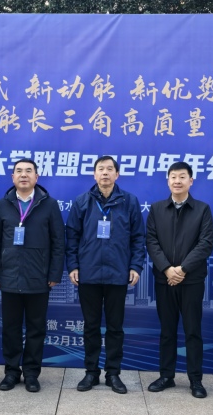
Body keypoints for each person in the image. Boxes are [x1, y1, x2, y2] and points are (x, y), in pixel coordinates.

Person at [66, 155, 145, 394]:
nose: (105, 173)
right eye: (101, 169)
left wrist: (135, 266)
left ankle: (113, 373)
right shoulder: (82, 201)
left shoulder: (129, 201)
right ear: (94, 174)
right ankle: (91, 372)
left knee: (115, 327)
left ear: (117, 174)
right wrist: (73, 266)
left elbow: (138, 237)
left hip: (117, 274)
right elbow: (72, 236)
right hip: (88, 274)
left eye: (110, 169)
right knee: (90, 326)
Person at [0, 159, 65, 393]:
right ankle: (11, 372)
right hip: (9, 277)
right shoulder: (4, 204)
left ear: (36, 177)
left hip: (38, 278)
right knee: (10, 329)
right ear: (12, 177)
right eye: (19, 171)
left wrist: (54, 274)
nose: (24, 175)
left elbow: (58, 242)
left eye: (28, 171)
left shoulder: (49, 204)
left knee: (36, 329)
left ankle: (32, 373)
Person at [146, 161, 213, 399]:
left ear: (190, 181)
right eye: (173, 177)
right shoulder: (156, 209)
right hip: (164, 280)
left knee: (193, 331)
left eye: (182, 177)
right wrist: (167, 269)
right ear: (168, 181)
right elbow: (151, 241)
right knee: (167, 331)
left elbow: (206, 243)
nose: (177, 181)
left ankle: (196, 380)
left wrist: (183, 269)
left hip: (191, 280)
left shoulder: (202, 209)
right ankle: (166, 376)